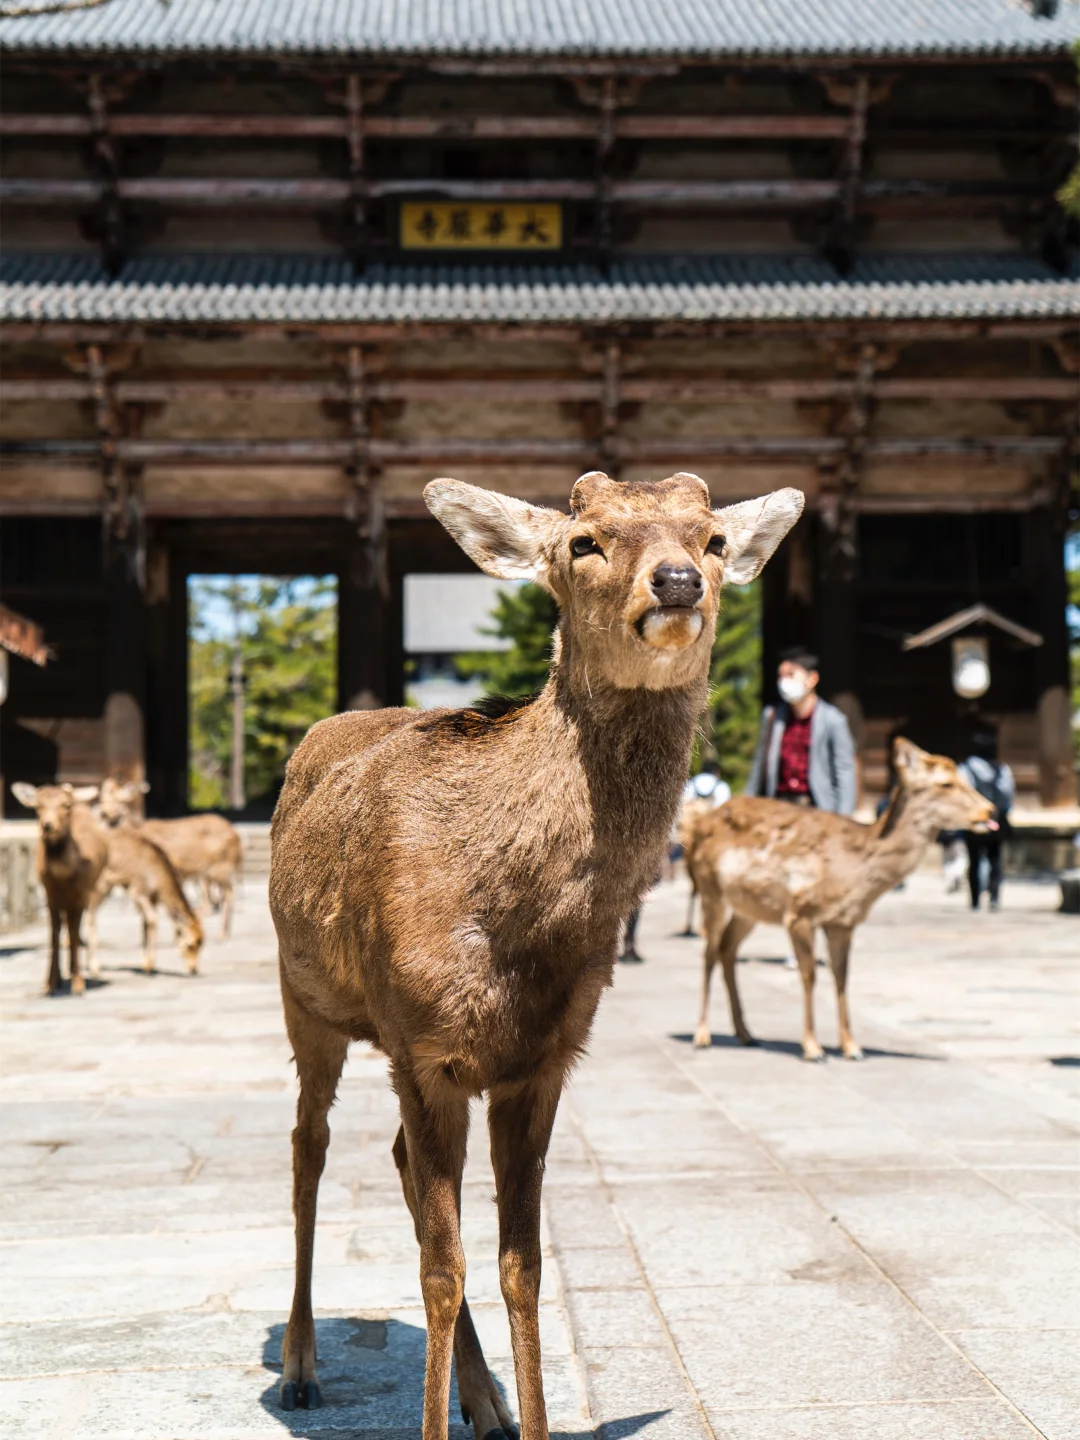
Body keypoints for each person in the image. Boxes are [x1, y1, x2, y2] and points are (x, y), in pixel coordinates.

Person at [746, 647, 857, 815]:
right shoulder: (772, 716)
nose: (783, 682)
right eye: (780, 676)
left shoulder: (833, 720)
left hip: (816, 808)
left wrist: (844, 817)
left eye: (791, 675)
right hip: (779, 806)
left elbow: (844, 771)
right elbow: (760, 764)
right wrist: (748, 802)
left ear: (812, 679)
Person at [959, 728, 1012, 911]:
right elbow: (1007, 794)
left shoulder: (966, 769)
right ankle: (994, 897)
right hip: (996, 819)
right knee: (995, 860)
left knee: (974, 861)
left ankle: (974, 900)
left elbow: (965, 794)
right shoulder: (1002, 769)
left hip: (975, 820)